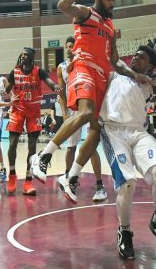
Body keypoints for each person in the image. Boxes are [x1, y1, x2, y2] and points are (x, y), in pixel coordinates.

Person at [31, 0, 147, 190]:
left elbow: (115, 60)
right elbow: (62, 6)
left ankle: (70, 177)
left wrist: (134, 74)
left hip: (102, 76)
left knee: (96, 128)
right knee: (84, 113)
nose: (112, 3)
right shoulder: (86, 13)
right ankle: (43, 156)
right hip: (83, 68)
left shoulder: (111, 26)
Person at [99, 44, 156, 260]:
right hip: (113, 131)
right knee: (127, 182)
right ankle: (124, 231)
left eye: (141, 58)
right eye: (135, 55)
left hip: (138, 131)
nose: (135, 58)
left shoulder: (149, 84)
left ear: (151, 66)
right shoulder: (115, 74)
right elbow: (113, 58)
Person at [57, 36, 107, 202]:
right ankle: (69, 178)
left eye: (72, 46)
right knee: (71, 147)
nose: (70, 48)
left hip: (89, 107)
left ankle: (100, 185)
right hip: (73, 110)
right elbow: (61, 93)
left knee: (91, 147)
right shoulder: (61, 67)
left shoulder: (85, 61)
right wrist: (65, 115)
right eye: (68, 46)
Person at [5, 47, 61, 196]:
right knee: (12, 144)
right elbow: (7, 89)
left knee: (31, 148)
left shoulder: (39, 71)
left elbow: (49, 82)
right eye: (21, 55)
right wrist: (10, 92)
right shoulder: (15, 71)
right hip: (18, 109)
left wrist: (55, 86)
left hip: (33, 111)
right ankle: (11, 174)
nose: (22, 57)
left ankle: (28, 181)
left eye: (25, 55)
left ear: (31, 57)